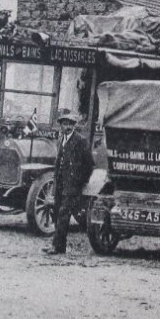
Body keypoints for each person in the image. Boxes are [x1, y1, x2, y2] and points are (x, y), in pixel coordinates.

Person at [45, 107, 94, 256]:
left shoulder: (81, 141)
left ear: (74, 125)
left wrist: (79, 181)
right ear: (61, 125)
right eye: (65, 123)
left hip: (72, 185)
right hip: (60, 183)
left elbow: (89, 164)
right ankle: (60, 246)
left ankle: (56, 246)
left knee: (63, 213)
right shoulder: (62, 140)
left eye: (70, 124)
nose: (68, 126)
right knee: (57, 212)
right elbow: (58, 163)